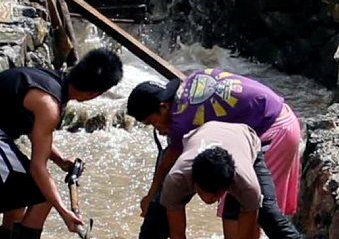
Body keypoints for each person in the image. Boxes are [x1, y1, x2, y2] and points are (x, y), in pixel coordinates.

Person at [0, 46, 126, 239]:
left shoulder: (52, 83)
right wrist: (64, 213)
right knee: (41, 196)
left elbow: (34, 132)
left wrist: (60, 160)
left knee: (19, 196)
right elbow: (38, 168)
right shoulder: (49, 105)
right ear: (96, 93)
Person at [137, 119, 328, 239]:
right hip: (202, 137)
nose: (210, 200)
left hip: (245, 142)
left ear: (228, 186)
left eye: (217, 195)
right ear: (193, 182)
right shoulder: (176, 180)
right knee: (156, 221)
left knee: (272, 218)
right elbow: (177, 236)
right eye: (205, 193)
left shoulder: (247, 184)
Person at [125, 66, 305, 218]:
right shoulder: (191, 81)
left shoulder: (182, 122)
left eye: (152, 122)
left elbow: (168, 165)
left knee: (248, 209)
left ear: (163, 107)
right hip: (283, 116)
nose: (157, 129)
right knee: (243, 208)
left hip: (275, 131)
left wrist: (150, 196)